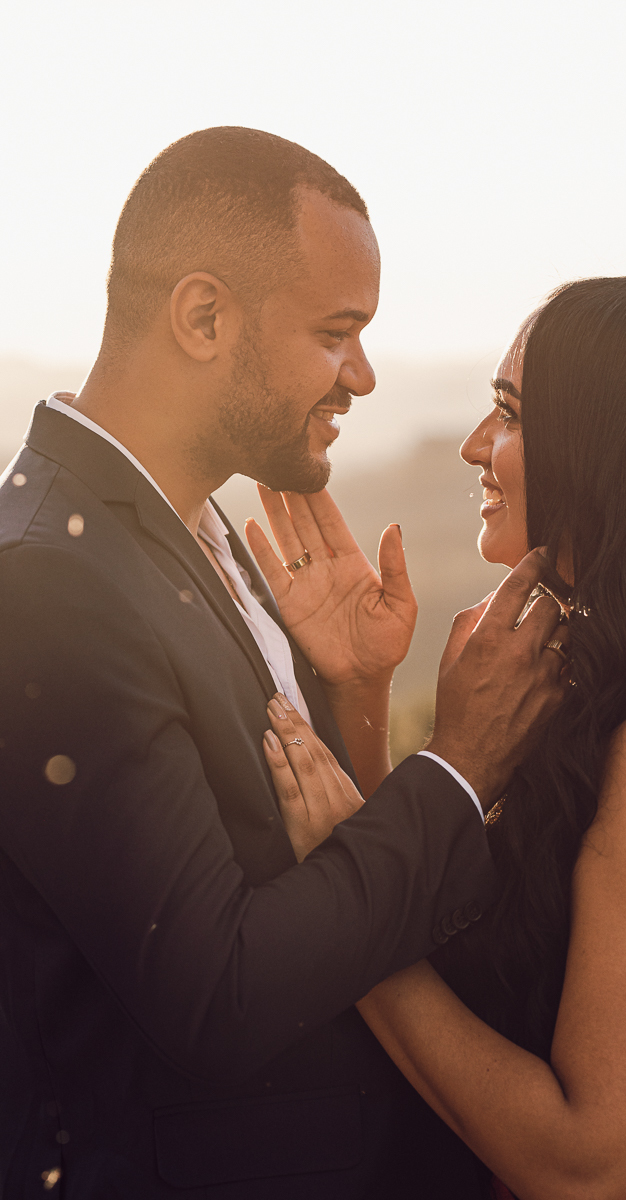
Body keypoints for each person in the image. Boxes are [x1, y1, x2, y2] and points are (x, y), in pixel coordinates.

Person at [0, 127, 567, 1199]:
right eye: (336, 331)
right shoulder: (48, 581)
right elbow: (219, 990)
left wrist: (355, 695)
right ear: (204, 316)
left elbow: (304, 870)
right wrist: (458, 767)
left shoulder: (193, 533)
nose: (359, 374)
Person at [255, 277, 626, 1200]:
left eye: (507, 414)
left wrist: (342, 928)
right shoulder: (606, 680)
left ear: (616, 453)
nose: (475, 443)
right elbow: (460, 938)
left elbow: (580, 1162)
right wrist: (360, 688)